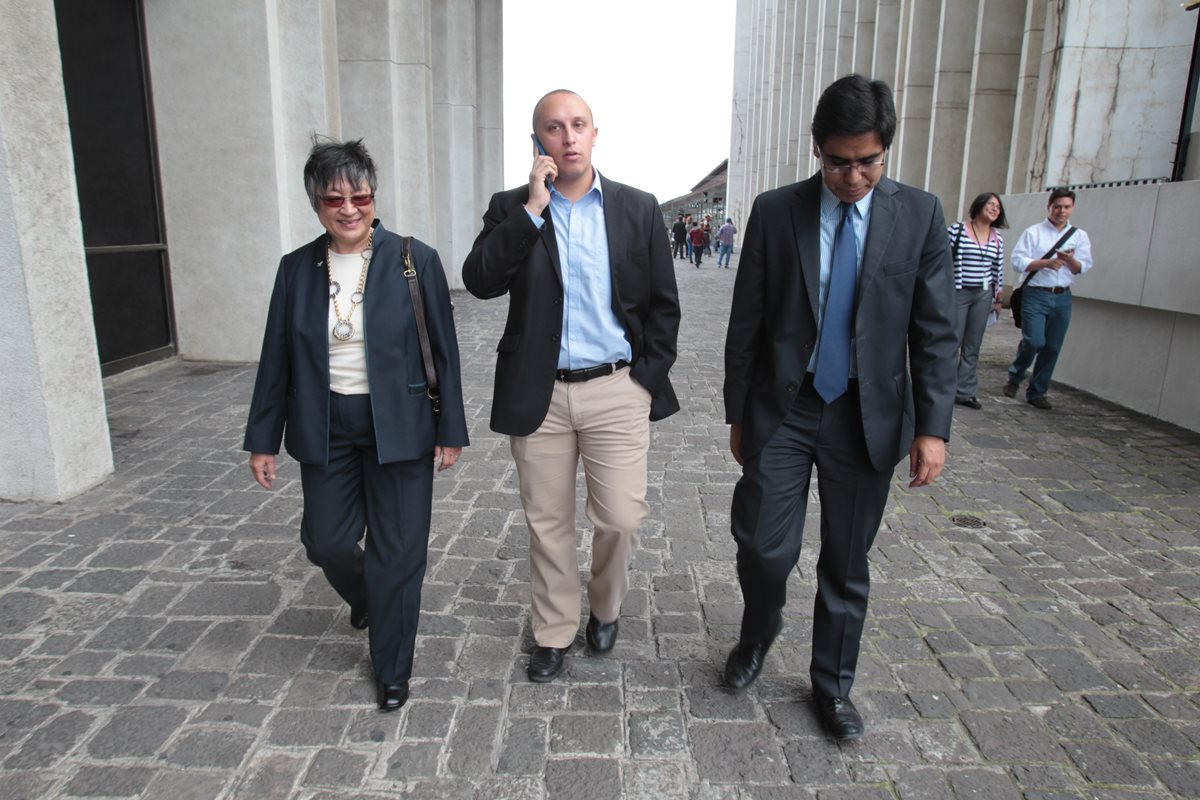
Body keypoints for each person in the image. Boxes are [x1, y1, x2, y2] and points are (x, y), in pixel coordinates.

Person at [722, 75, 956, 740]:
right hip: (786, 409)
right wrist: (738, 412)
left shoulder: (919, 215)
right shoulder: (776, 211)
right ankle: (758, 634)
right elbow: (748, 320)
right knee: (764, 548)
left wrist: (933, 429)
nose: (853, 177)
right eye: (838, 161)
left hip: (867, 416)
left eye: (868, 162)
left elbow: (935, 333)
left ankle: (832, 687)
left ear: (886, 150)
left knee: (846, 562)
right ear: (817, 149)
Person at [462, 90, 680, 683]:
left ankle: (605, 608)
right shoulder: (513, 207)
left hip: (616, 387)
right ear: (538, 143)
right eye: (554, 129)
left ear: (594, 132)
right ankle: (553, 631)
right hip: (542, 394)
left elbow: (664, 305)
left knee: (621, 518)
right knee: (548, 521)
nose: (568, 137)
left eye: (578, 125)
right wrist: (532, 210)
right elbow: (480, 279)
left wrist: (646, 379)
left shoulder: (637, 208)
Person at [244, 138, 468, 712]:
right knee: (326, 540)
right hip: (325, 424)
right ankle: (369, 596)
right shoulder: (295, 269)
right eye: (332, 199)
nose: (348, 209)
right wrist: (263, 439)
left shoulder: (414, 260)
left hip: (402, 422)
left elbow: (444, 352)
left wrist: (450, 431)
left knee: (399, 552)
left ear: (374, 196)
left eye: (359, 195)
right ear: (315, 204)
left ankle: (392, 667)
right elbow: (276, 357)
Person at [1002, 188, 1092, 409]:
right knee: (1034, 341)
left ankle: (1037, 391)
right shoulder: (1034, 232)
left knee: (1052, 346)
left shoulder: (1079, 236)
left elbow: (1083, 266)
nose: (1061, 211)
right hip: (1036, 292)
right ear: (1049, 206)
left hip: (1062, 296)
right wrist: (1046, 263)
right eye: (1057, 206)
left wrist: (1069, 260)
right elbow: (1017, 260)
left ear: (1072, 208)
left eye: (1066, 207)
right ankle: (1016, 375)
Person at [948, 193, 1007, 409]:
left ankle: (965, 392)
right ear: (979, 205)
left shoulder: (997, 237)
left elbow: (997, 268)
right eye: (990, 204)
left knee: (972, 344)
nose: (994, 209)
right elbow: (943, 258)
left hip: (983, 295)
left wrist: (998, 295)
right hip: (958, 291)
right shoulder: (958, 230)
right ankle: (943, 387)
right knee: (951, 341)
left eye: (998, 207)